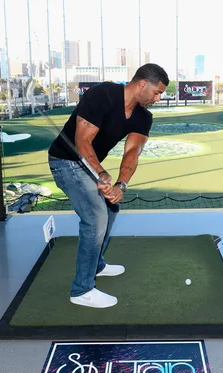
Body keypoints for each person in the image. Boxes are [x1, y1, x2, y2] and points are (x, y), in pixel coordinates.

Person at [48, 63, 169, 308]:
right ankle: (81, 289)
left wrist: (120, 186)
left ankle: (97, 265)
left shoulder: (143, 116)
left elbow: (132, 152)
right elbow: (82, 141)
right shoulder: (102, 94)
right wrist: (102, 175)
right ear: (142, 84)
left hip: (88, 167)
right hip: (65, 161)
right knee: (95, 218)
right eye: (157, 92)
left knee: (112, 207)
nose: (159, 98)